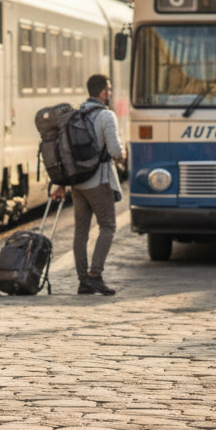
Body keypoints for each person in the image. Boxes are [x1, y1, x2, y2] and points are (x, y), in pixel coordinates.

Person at [50, 74, 125, 296]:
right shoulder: (106, 116)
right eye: (108, 90)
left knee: (80, 232)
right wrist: (123, 154)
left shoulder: (75, 115)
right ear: (102, 92)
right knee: (108, 226)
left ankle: (83, 281)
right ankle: (95, 275)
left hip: (78, 185)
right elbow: (115, 152)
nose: (109, 94)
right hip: (98, 182)